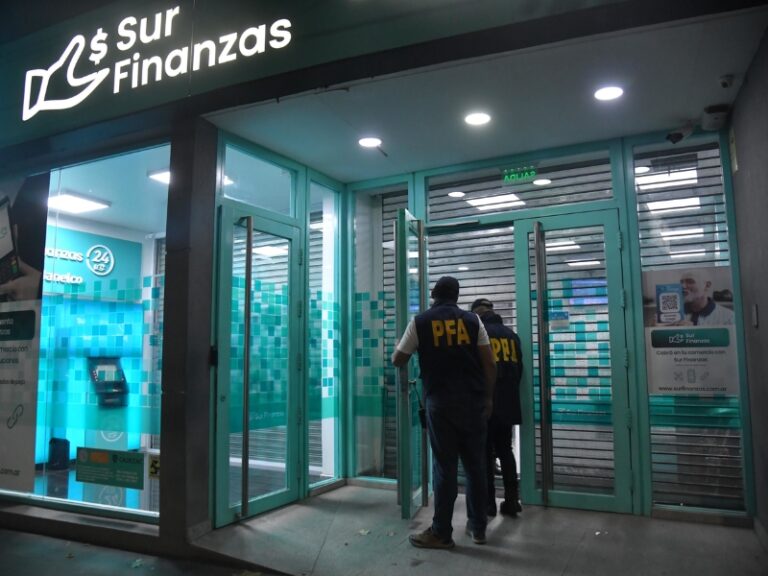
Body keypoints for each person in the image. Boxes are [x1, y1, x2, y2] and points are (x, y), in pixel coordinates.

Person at [392, 276, 496, 549]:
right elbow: (489, 363)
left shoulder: (420, 322)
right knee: (476, 467)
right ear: (456, 297)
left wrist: (404, 347)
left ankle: (441, 532)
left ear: (434, 295)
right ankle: (478, 528)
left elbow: (398, 359)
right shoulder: (474, 321)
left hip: (440, 404)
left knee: (444, 468)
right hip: (473, 403)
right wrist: (488, 399)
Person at [470, 297, 523, 518]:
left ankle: (488, 504)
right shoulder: (512, 335)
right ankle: (512, 501)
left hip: (485, 402)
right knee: (505, 451)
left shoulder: (479, 334)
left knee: (484, 454)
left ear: (477, 314)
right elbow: (519, 369)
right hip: (508, 402)